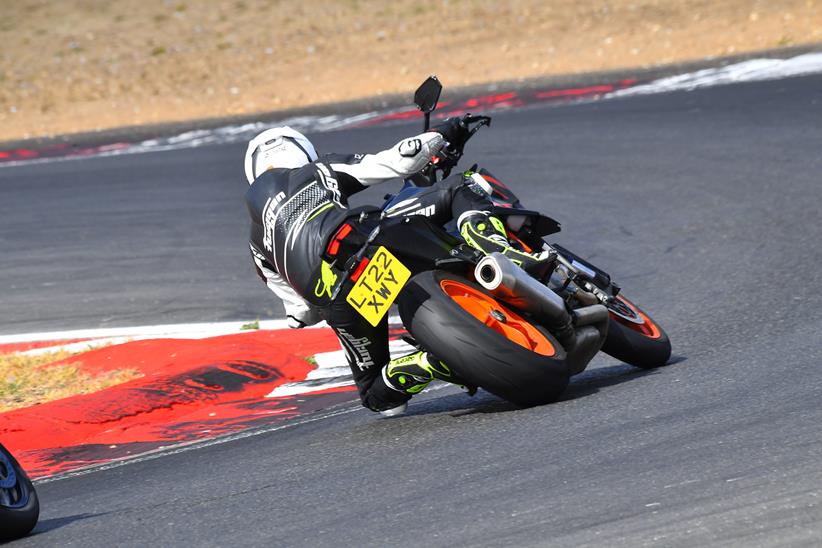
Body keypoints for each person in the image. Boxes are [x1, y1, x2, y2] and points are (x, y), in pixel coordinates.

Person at [244, 121, 541, 416]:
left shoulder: (257, 243)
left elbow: (300, 312)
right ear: (304, 152)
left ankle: (428, 363)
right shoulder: (318, 170)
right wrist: (445, 131)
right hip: (368, 242)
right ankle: (498, 248)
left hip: (341, 299)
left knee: (377, 396)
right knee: (461, 184)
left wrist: (307, 311)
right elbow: (399, 160)